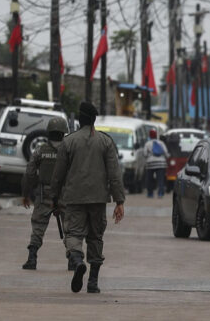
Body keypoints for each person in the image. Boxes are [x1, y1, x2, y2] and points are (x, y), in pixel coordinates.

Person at [51, 102, 126, 294]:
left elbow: (58, 175)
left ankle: (77, 262)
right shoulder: (106, 142)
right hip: (98, 199)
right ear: (94, 120)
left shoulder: (68, 142)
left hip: (74, 199)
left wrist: (54, 198)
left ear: (79, 119)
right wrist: (119, 201)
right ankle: (93, 282)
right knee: (95, 237)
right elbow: (114, 174)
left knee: (74, 234)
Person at [21, 117, 69, 271]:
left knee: (38, 227)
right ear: (63, 133)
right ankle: (74, 259)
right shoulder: (69, 150)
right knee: (70, 228)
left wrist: (27, 192)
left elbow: (29, 172)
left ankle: (32, 258)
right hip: (65, 193)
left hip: (44, 193)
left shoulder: (40, 150)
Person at [143, 129, 169, 198]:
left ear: (150, 135)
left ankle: (150, 194)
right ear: (156, 135)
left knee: (150, 179)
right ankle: (160, 193)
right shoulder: (161, 143)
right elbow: (166, 153)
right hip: (161, 163)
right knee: (160, 179)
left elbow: (145, 154)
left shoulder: (147, 143)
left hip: (150, 164)